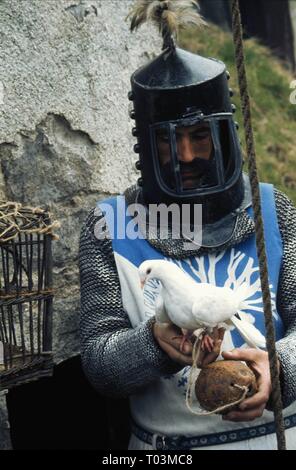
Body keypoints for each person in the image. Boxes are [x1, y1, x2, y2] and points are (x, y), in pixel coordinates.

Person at [79, 0, 296, 450]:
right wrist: (155, 344)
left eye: (200, 135)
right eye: (167, 139)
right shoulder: (110, 226)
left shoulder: (272, 209)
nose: (187, 156)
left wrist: (279, 369)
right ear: (145, 141)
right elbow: (100, 367)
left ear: (224, 133)